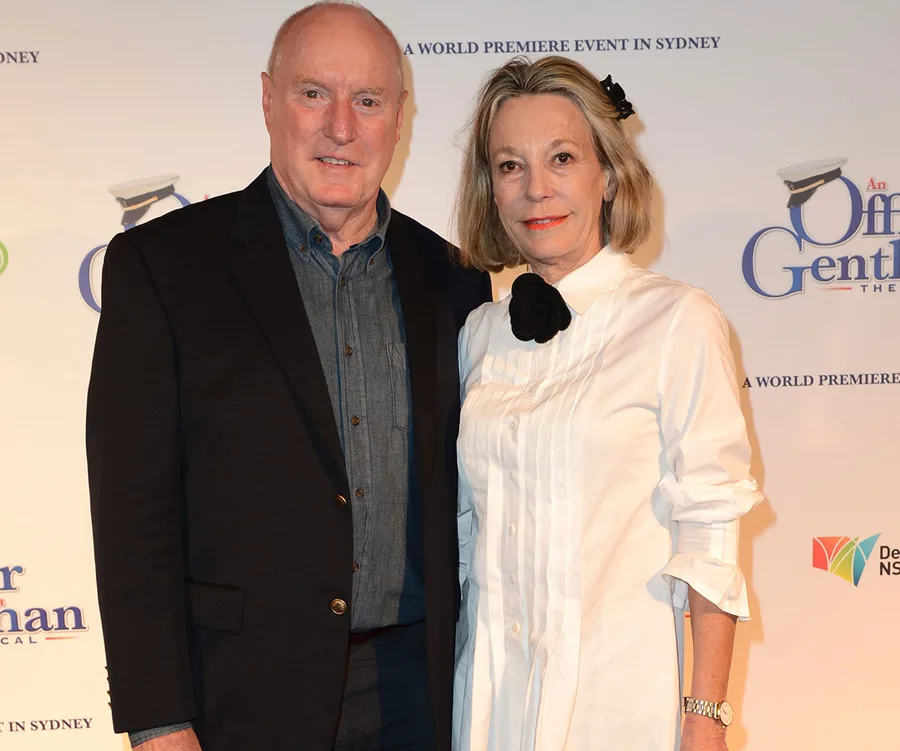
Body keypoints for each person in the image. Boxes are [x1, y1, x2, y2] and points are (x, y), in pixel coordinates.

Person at [86, 3, 491, 750]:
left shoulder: (456, 281)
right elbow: (132, 520)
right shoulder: (164, 268)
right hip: (238, 698)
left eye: (368, 100)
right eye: (314, 94)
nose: (342, 126)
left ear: (398, 118)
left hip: (421, 695)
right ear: (268, 99)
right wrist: (158, 719)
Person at [452, 55, 762, 751]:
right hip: (491, 706)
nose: (537, 188)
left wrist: (705, 719)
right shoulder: (478, 335)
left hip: (623, 704)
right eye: (510, 165)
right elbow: (469, 538)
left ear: (609, 174)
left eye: (562, 157)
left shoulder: (679, 322)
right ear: (490, 189)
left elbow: (710, 532)